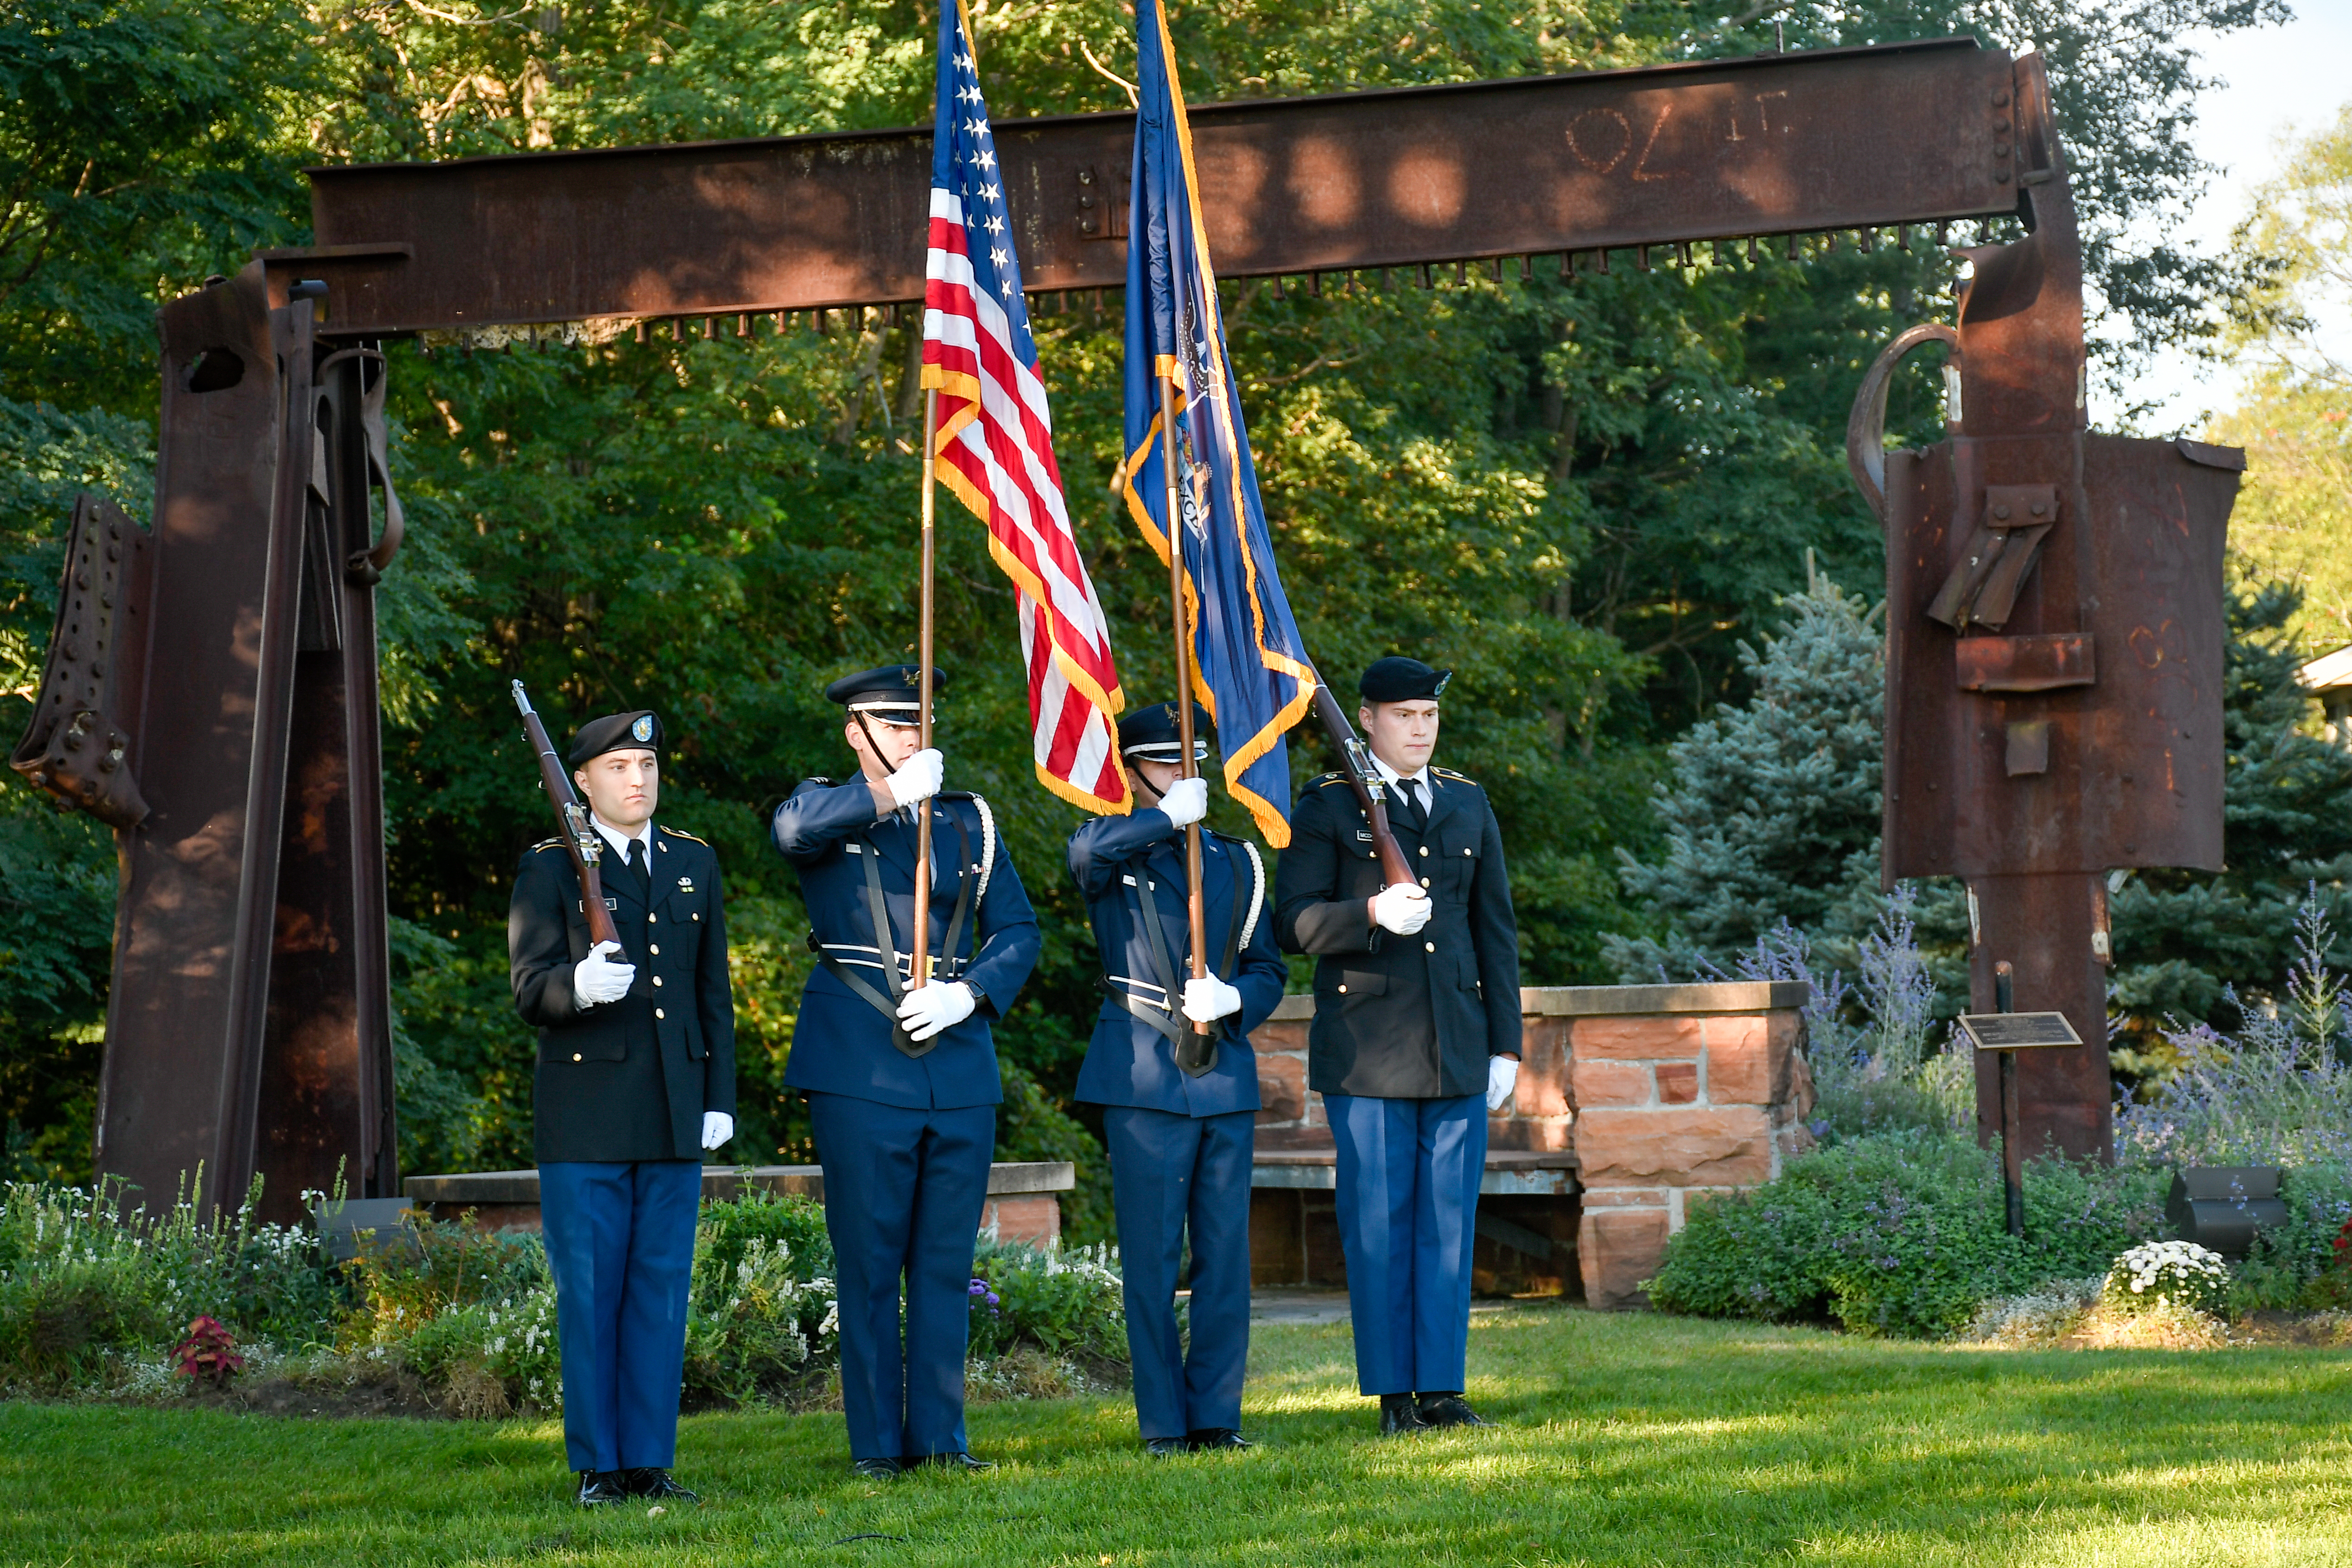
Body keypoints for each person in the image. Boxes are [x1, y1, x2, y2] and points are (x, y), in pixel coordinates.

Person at [770, 665, 1040, 1479]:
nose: (914, 737)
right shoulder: (825, 807)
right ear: (856, 732)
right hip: (859, 1064)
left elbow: (1020, 932)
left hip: (957, 1065)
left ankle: (942, 1438)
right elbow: (791, 835)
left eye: (920, 723)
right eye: (894, 725)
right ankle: (878, 1446)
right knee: (869, 1258)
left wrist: (970, 994)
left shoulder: (968, 823)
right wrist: (890, 796)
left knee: (945, 1263)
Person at [1272, 657, 1520, 1436]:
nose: (1420, 728)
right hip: (1369, 1051)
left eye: (1430, 715)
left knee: (1448, 1222)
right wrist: (1371, 911)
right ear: (1369, 720)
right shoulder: (1325, 808)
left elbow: (1496, 932)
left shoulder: (1466, 802)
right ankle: (1393, 1394)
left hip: (1457, 1044)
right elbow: (1295, 924)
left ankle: (1442, 1387)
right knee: (1379, 1222)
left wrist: (1506, 1046)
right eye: (1405, 715)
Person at [509, 709, 737, 1507]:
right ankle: (599, 1465)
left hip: (675, 1111)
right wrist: (575, 987)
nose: (637, 779)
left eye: (646, 763)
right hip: (589, 1117)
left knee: (660, 1292)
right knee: (595, 1293)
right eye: (617, 767)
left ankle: (649, 1459)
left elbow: (714, 992)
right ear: (582, 781)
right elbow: (527, 989)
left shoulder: (691, 861)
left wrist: (719, 1097)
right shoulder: (548, 869)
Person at [1068, 703, 1288, 1456]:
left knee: (1225, 1256)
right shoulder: (1117, 852)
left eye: (1191, 760)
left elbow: (1269, 967)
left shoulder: (1238, 861)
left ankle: (1216, 1415)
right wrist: (1164, 818)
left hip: (1223, 1073)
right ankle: (1164, 1420)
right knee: (1154, 1257)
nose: (1183, 773)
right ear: (1132, 770)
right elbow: (1084, 855)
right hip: (1143, 1075)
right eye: (1165, 762)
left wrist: (1236, 999)